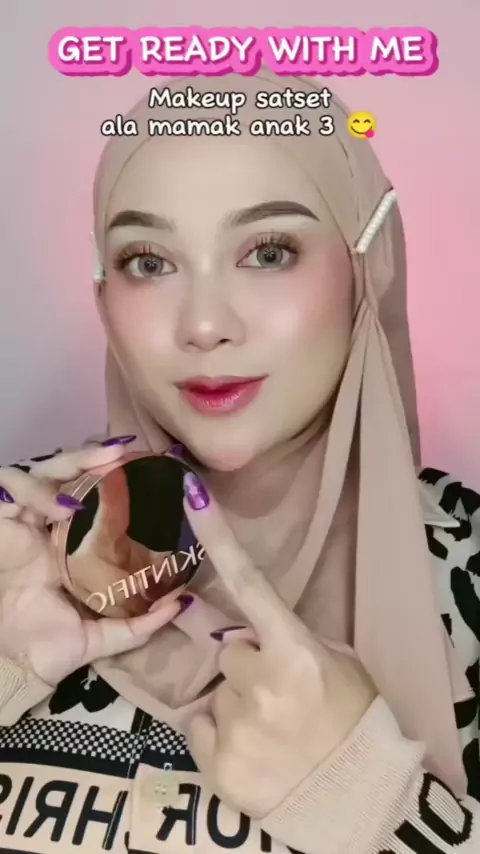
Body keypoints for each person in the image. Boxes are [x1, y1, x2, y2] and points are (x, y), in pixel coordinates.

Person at [0, 69, 479, 854]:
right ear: (104, 295)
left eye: (268, 251)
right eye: (148, 261)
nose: (203, 324)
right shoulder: (21, 546)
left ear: (367, 268)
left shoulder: (470, 566)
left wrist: (376, 806)